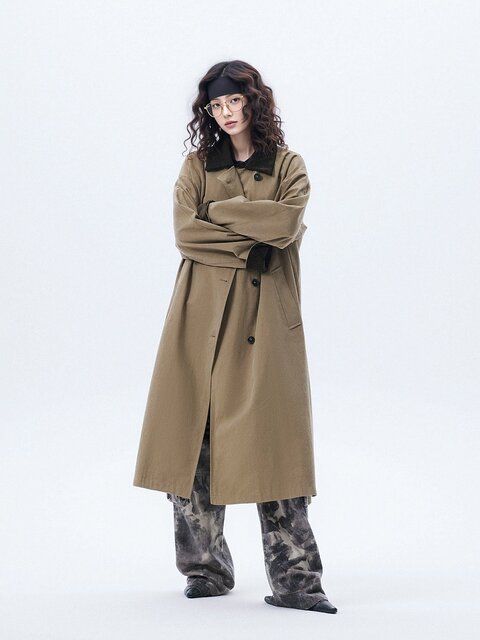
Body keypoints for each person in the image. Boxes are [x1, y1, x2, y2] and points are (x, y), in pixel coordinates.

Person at [133, 60, 338, 614]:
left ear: (254, 101)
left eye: (234, 101)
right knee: (192, 442)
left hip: (266, 321)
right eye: (216, 105)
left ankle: (297, 582)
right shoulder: (197, 166)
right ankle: (205, 570)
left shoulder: (288, 165)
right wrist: (252, 236)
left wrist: (220, 212)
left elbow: (286, 224)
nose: (225, 113)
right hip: (200, 319)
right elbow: (186, 233)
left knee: (278, 444)